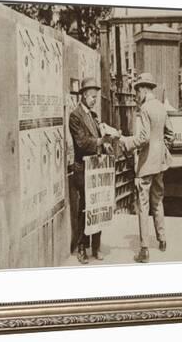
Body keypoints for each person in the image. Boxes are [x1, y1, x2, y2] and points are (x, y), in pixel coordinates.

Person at [119, 73, 174, 263]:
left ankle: (144, 249)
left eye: (137, 92)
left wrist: (126, 142)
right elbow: (170, 134)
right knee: (158, 201)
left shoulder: (144, 109)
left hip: (145, 164)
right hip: (159, 164)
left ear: (143, 89)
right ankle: (162, 239)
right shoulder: (161, 107)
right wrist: (162, 151)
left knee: (143, 205)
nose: (136, 96)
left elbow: (143, 138)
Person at [69, 77, 116, 264]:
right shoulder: (75, 116)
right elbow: (81, 143)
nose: (95, 100)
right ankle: (82, 247)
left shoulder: (94, 117)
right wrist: (100, 142)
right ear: (83, 95)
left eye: (96, 97)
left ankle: (96, 246)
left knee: (98, 207)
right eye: (92, 97)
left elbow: (98, 139)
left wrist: (106, 147)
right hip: (83, 169)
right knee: (85, 209)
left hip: (96, 169)